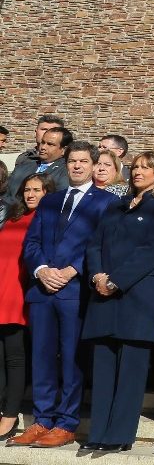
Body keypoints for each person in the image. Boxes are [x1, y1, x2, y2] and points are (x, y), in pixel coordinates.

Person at [11, 141, 117, 448]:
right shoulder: (50, 200)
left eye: (84, 161)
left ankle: (67, 423)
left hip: (74, 290)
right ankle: (42, 419)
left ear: (95, 165)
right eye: (72, 161)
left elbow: (102, 245)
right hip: (43, 290)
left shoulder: (105, 202)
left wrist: (73, 270)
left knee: (71, 358)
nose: (77, 166)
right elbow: (31, 243)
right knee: (42, 356)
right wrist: (42, 269)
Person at [80, 151, 154, 453]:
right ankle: (98, 433)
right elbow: (95, 243)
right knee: (104, 367)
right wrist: (98, 274)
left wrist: (116, 280)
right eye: (135, 167)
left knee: (131, 371)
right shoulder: (116, 205)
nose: (138, 172)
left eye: (145, 168)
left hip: (136, 297)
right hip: (103, 296)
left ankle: (119, 435)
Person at [0, 173, 52, 438]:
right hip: (1, 287)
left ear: (48, 192)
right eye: (27, 190)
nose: (31, 194)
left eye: (37, 190)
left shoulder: (48, 219)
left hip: (20, 292)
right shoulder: (13, 216)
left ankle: (10, 415)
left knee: (15, 357)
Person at [8, 125, 71, 202]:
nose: (43, 147)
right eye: (43, 142)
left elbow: (60, 199)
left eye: (50, 144)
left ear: (64, 150)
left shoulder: (66, 171)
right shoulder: (22, 168)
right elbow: (7, 194)